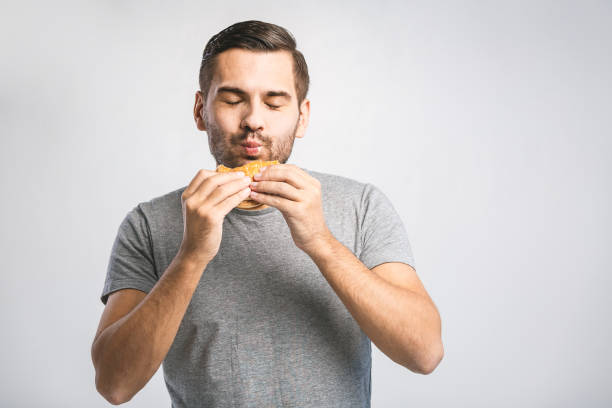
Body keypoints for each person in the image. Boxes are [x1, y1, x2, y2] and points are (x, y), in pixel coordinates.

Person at [91, 20, 443, 407]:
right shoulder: (149, 223)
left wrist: (320, 242)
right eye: (231, 99)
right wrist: (191, 255)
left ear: (302, 116)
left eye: (274, 102)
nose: (253, 120)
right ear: (199, 110)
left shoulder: (361, 205)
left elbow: (424, 353)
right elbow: (114, 384)